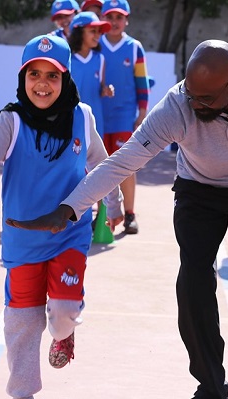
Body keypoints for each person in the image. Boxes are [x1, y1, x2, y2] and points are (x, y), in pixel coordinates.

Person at [6, 39, 228, 399]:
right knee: (192, 279)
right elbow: (124, 160)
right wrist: (69, 208)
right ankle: (209, 382)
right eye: (192, 94)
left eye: (206, 99)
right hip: (199, 189)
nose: (195, 104)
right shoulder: (178, 104)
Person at [0, 34, 123, 399]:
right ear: (22, 78)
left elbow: (102, 164)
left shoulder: (82, 117)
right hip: (22, 238)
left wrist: (111, 205)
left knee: (63, 310)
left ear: (66, 79)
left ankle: (65, 334)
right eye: (33, 74)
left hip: (70, 232)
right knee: (22, 321)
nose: (42, 84)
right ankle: (22, 391)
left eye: (52, 76)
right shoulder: (11, 120)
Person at [100, 0, 150, 234]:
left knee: (125, 167)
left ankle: (129, 214)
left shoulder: (134, 47)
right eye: (110, 17)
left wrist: (142, 111)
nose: (114, 22)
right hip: (98, 116)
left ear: (126, 20)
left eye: (119, 17)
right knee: (96, 167)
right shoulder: (95, 44)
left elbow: (142, 81)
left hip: (123, 116)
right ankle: (100, 217)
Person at [68, 11, 113, 137]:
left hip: (94, 125)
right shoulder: (66, 59)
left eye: (99, 31)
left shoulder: (101, 59)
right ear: (79, 32)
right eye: (93, 31)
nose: (98, 35)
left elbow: (101, 88)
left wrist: (106, 90)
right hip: (69, 124)